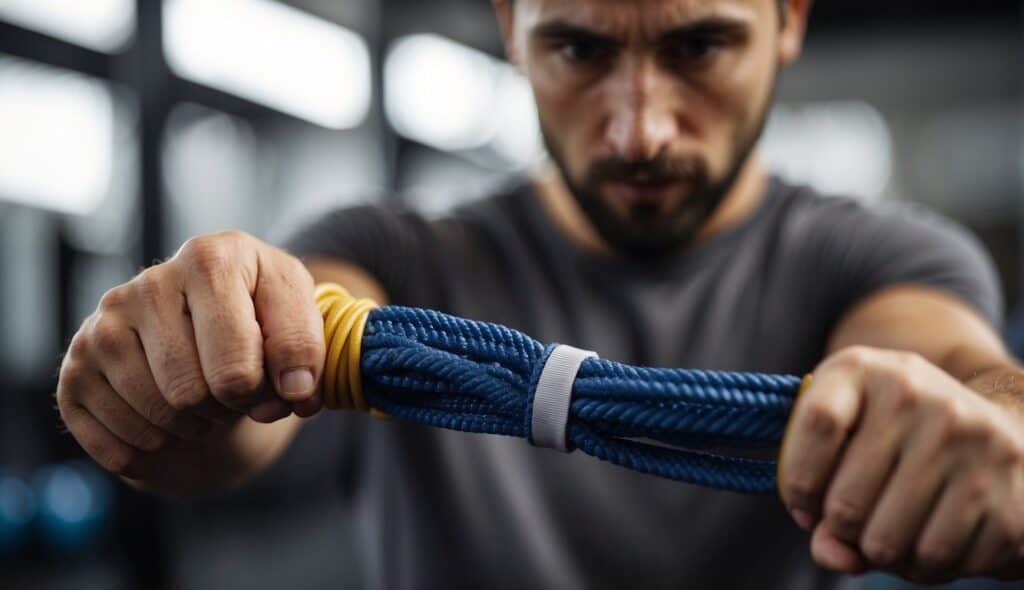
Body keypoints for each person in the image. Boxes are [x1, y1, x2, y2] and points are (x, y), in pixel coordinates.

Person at [55, 0, 1024, 588]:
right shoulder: (392, 251)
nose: (638, 129)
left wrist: (992, 431)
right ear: (513, 29)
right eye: (578, 50)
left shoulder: (877, 253)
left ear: (789, 23)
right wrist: (179, 369)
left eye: (697, 47)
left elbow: (957, 369)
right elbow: (255, 399)